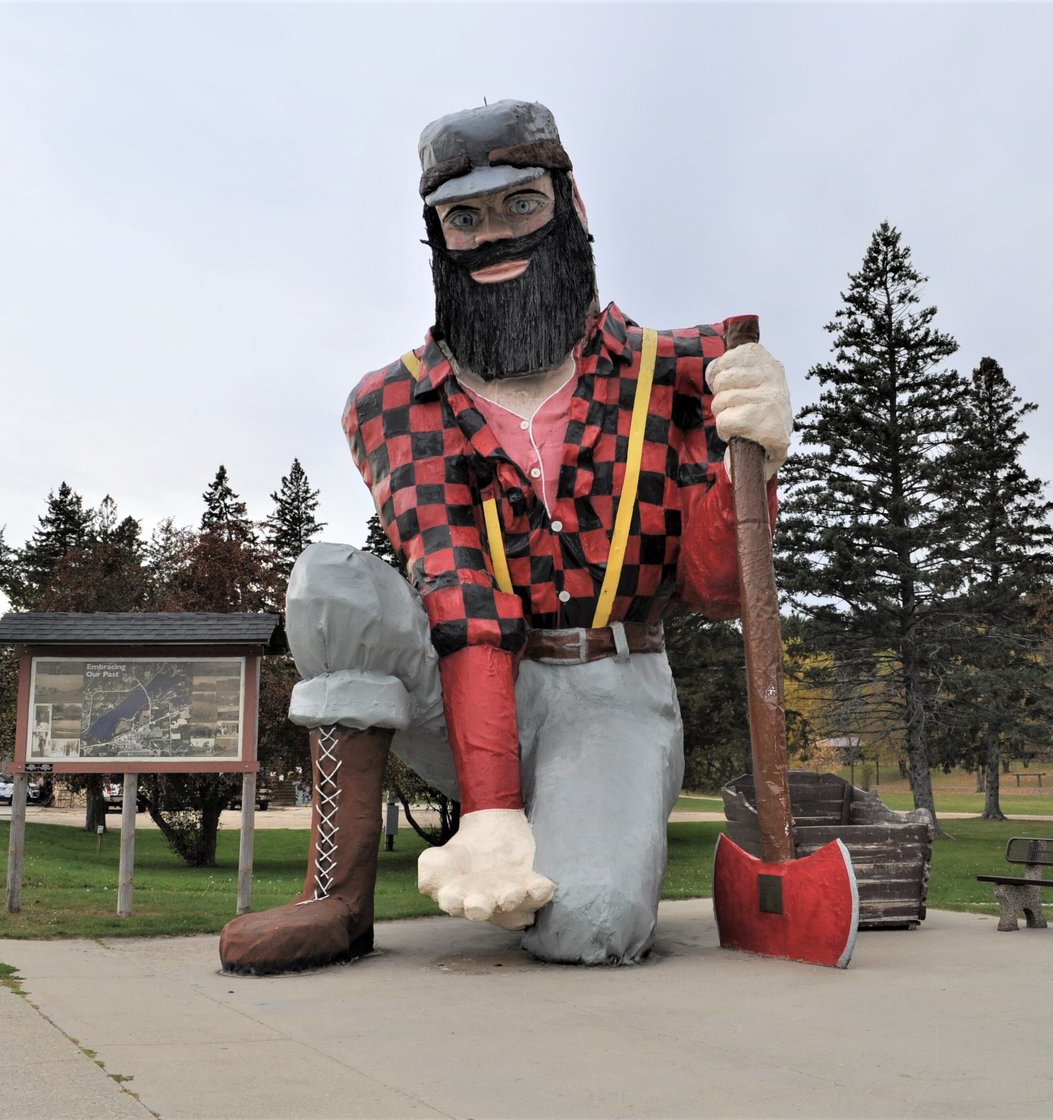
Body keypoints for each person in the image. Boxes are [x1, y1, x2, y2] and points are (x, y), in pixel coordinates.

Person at [219, 99, 792, 974]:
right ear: (435, 235)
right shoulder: (395, 402)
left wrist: (748, 461)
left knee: (589, 927)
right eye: (465, 217)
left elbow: (715, 592)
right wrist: (487, 816)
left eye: (521, 205)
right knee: (332, 586)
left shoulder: (681, 371)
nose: (495, 237)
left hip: (611, 685)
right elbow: (459, 593)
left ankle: (570, 846)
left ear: (572, 208)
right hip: (468, 681)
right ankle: (337, 894)